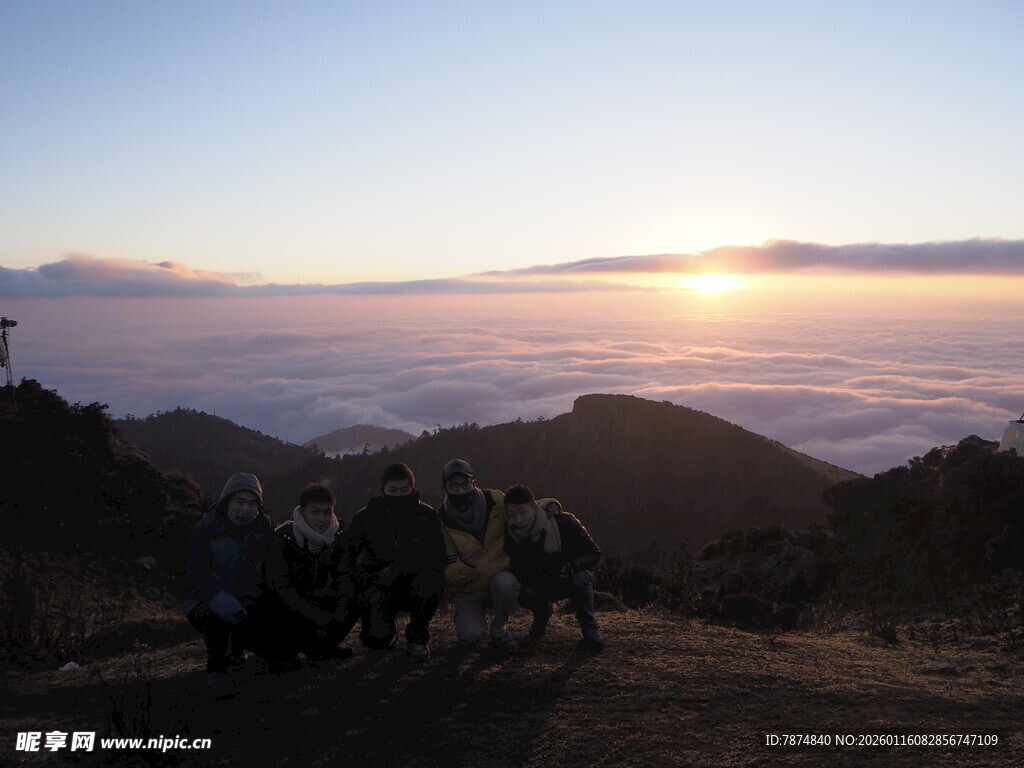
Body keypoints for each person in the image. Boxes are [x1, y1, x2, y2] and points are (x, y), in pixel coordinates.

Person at [184, 472, 292, 697]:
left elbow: (276, 553)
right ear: (227, 501)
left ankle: (259, 651)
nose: (246, 509)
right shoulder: (206, 529)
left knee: (278, 634)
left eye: (253, 503)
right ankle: (218, 669)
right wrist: (221, 601)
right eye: (240, 502)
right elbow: (197, 573)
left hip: (249, 598)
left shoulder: (264, 526)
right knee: (218, 618)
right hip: (209, 599)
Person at [344, 463, 446, 661]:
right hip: (379, 586)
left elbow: (438, 557)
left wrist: (402, 568)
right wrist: (366, 586)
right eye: (392, 490)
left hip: (415, 585)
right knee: (377, 642)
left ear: (413, 490)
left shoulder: (426, 517)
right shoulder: (365, 518)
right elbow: (347, 558)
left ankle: (417, 637)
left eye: (404, 490)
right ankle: (387, 630)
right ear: (382, 491)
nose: (398, 495)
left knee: (431, 579)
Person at [263, 483, 357, 663]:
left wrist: (340, 611)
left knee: (356, 597)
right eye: (315, 512)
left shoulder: (339, 537)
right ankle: (289, 649)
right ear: (302, 511)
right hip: (291, 605)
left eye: (327, 512)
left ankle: (324, 647)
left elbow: (346, 576)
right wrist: (315, 614)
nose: (322, 518)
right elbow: (282, 586)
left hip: (324, 599)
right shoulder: (284, 538)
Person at [503, 485, 605, 650]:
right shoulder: (511, 534)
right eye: (512, 515)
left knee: (581, 579)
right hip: (538, 582)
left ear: (535, 508)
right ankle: (541, 614)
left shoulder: (564, 522)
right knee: (518, 589)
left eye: (523, 512)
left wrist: (571, 566)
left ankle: (589, 626)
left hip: (567, 578)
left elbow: (594, 553)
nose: (518, 520)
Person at [437, 459, 519, 653]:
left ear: (474, 482)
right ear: (444, 488)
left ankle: (499, 629)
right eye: (453, 485)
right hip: (469, 588)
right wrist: (465, 565)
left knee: (507, 584)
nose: (461, 490)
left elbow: (523, 510)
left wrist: (549, 506)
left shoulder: (495, 500)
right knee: (470, 636)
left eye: (466, 483)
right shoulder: (442, 521)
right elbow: (448, 573)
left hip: (498, 577)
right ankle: (472, 621)